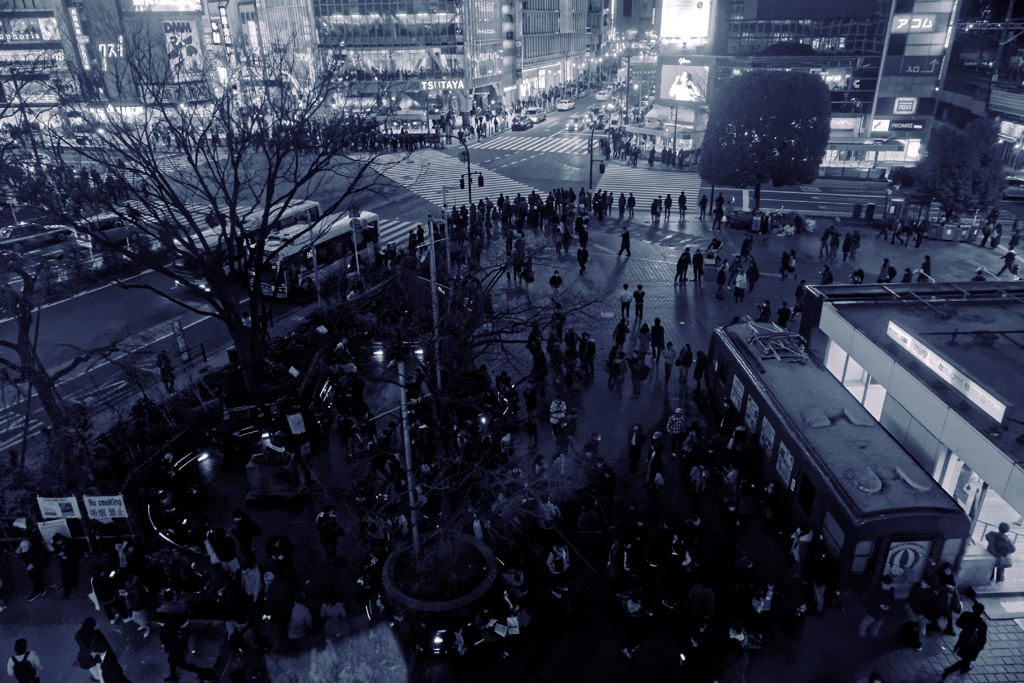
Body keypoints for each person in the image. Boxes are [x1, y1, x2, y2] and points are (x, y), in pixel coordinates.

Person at [941, 602, 987, 679]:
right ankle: (948, 670)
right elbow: (982, 637)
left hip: (963, 640)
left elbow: (958, 623)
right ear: (981, 612)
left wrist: (966, 628)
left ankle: (965, 668)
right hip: (973, 644)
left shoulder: (966, 615)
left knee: (966, 658)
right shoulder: (982, 623)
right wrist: (980, 646)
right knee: (966, 659)